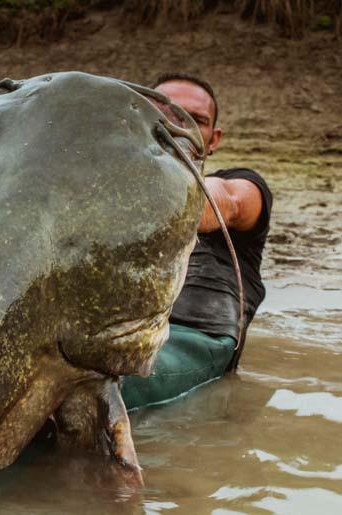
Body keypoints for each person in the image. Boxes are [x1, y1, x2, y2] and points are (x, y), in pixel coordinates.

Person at [121, 72, 273, 409]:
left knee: (87, 389)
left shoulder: (244, 185)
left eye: (195, 120)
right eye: (165, 113)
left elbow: (227, 202)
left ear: (213, 138)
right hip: (111, 336)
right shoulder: (107, 185)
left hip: (195, 340)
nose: (177, 127)